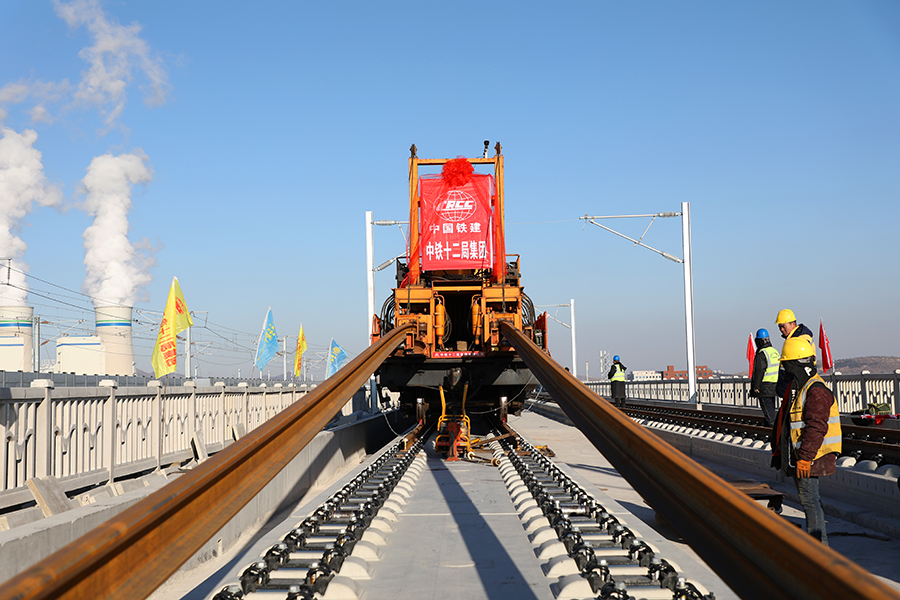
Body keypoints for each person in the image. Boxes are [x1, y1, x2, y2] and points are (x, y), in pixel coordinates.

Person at [770, 335, 841, 545]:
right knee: (810, 501)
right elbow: (787, 423)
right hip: (803, 454)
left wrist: (805, 457)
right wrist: (780, 453)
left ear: (797, 364)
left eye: (787, 366)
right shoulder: (799, 387)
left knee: (810, 502)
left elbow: (816, 426)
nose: (785, 371)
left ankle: (819, 551)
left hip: (812, 456)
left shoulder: (815, 390)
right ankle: (819, 549)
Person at [774, 308, 814, 399]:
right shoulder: (796, 338)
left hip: (795, 387)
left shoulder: (799, 340)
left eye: (784, 326)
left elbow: (797, 367)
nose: (781, 329)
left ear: (793, 324)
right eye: (779, 327)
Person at [750, 328, 780, 427]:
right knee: (771, 408)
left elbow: (759, 371)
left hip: (765, 386)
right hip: (775, 385)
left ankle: (771, 431)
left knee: (769, 413)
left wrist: (756, 387)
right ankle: (769, 427)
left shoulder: (762, 354)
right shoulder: (774, 352)